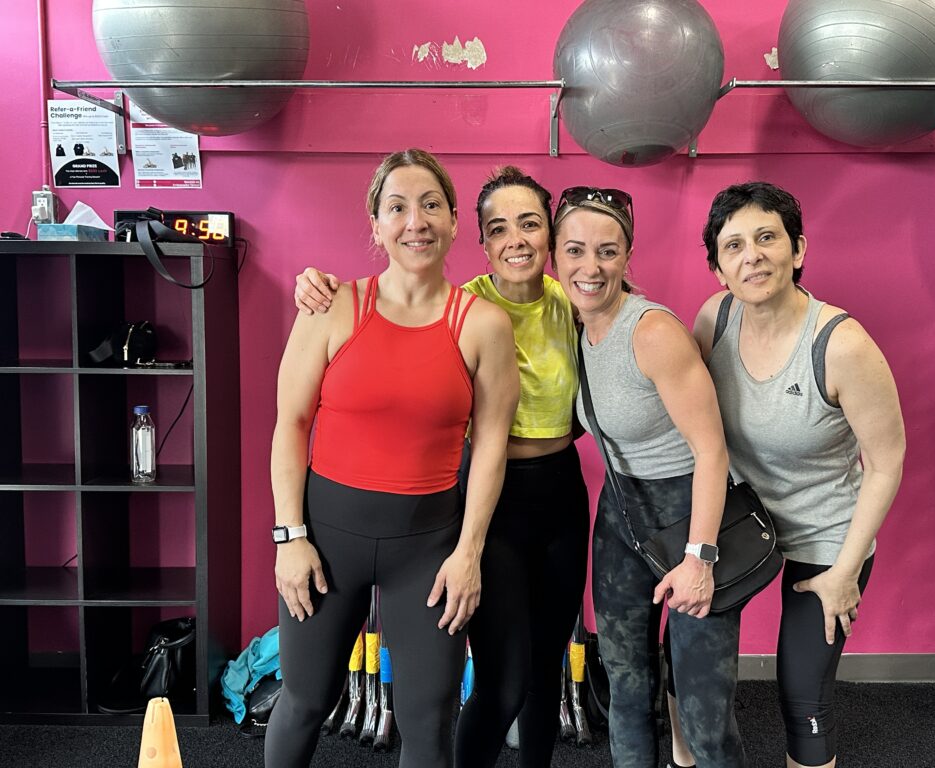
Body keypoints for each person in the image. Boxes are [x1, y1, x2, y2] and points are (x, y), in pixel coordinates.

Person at [295, 166, 591, 768]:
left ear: (551, 235)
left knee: (546, 666)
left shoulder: (572, 302)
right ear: (476, 238)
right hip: (488, 495)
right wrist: (315, 285)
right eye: (498, 228)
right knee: (505, 681)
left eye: (530, 224)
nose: (516, 240)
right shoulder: (469, 306)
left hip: (562, 491)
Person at [266, 148, 519, 768]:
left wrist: (469, 553)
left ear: (454, 221)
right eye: (398, 207)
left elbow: (491, 445)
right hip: (327, 540)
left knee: (429, 721)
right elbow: (290, 425)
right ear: (375, 225)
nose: (416, 222)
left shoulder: (483, 324)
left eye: (431, 205)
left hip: (429, 549)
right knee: (304, 700)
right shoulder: (331, 307)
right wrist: (289, 538)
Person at [683, 181, 906, 768]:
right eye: (733, 246)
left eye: (767, 238)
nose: (752, 256)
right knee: (687, 667)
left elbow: (885, 463)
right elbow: (690, 418)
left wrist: (846, 572)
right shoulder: (715, 318)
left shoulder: (841, 345)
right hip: (740, 517)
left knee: (803, 699)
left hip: (825, 534)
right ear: (718, 269)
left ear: (798, 248)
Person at [552, 186, 746, 768]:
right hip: (621, 515)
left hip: (691, 512)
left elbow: (712, 451)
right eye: (575, 250)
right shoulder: (571, 322)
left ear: (628, 256)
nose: (591, 267)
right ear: (555, 255)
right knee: (627, 686)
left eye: (608, 251)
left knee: (703, 715)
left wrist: (700, 558)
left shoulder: (653, 332)